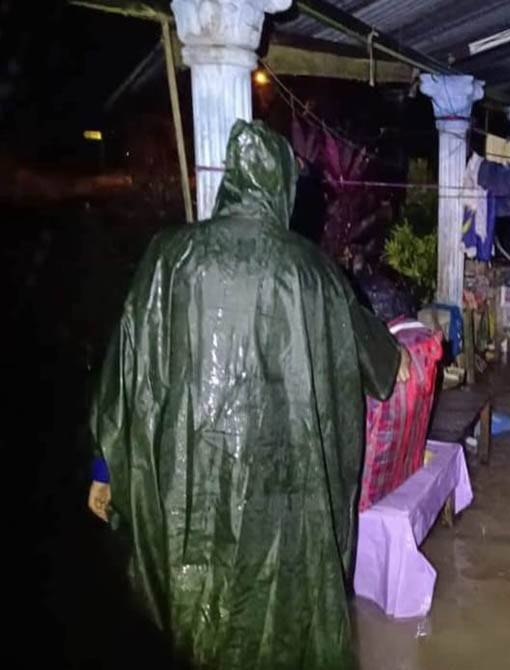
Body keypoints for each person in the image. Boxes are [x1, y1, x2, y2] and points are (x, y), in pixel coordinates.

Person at [86, 120, 409, 669]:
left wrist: (103, 468)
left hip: (197, 485)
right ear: (283, 188)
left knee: (200, 611)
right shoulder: (316, 273)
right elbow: (383, 367)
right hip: (288, 490)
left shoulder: (170, 258)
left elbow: (126, 376)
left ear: (230, 180)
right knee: (285, 611)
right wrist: (403, 355)